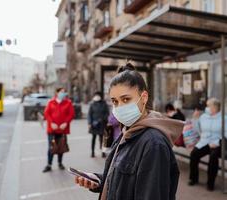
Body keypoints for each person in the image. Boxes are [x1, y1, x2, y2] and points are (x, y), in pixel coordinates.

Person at [75, 63, 184, 200]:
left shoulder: (153, 144)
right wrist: (98, 181)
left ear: (143, 98)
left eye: (126, 99)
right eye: (115, 101)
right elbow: (124, 179)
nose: (119, 107)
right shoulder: (128, 131)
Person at [189, 98, 227, 191]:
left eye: (208, 106)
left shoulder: (224, 118)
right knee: (194, 154)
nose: (207, 108)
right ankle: (193, 179)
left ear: (215, 107)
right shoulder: (204, 116)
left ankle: (210, 183)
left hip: (217, 143)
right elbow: (197, 130)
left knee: (213, 157)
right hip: (204, 142)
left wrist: (217, 143)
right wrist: (195, 119)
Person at [42, 87, 75, 172]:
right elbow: (46, 113)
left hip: (62, 130)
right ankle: (49, 164)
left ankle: (60, 163)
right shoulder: (51, 102)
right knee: (51, 147)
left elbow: (71, 114)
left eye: (64, 92)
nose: (63, 93)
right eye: (61, 92)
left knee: (61, 147)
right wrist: (51, 123)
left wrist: (66, 123)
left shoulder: (68, 102)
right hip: (52, 130)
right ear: (57, 93)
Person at [88, 91, 109, 158]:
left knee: (102, 139)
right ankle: (92, 152)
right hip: (94, 124)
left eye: (98, 95)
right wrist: (89, 123)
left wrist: (102, 119)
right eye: (95, 95)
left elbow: (107, 113)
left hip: (102, 124)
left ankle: (103, 152)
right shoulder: (92, 104)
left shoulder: (104, 104)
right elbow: (89, 114)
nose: (96, 96)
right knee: (93, 138)